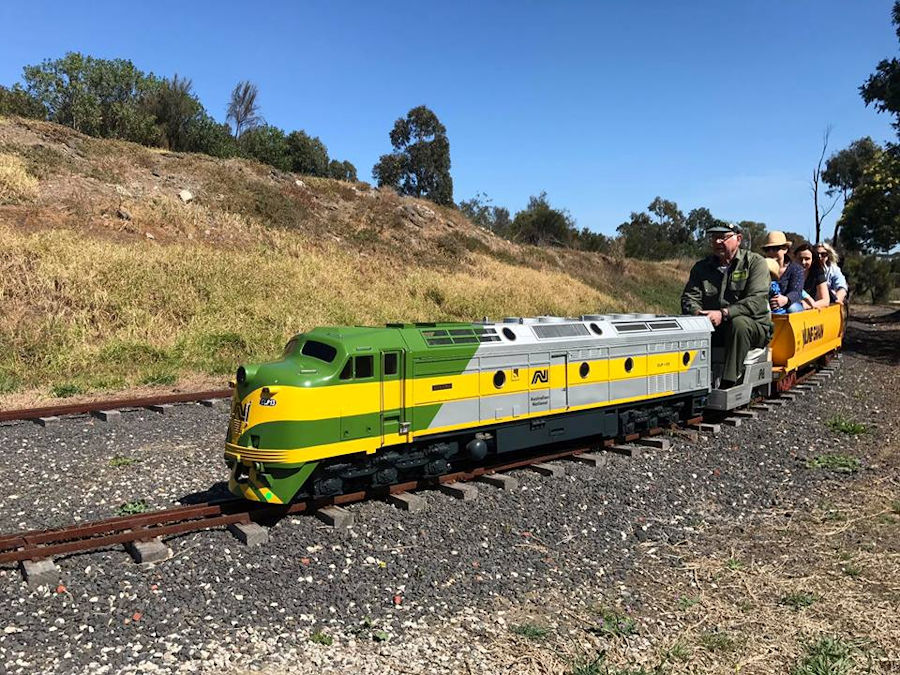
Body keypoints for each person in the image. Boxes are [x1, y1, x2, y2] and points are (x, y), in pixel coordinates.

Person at [681, 222, 772, 389]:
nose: (717, 242)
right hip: (714, 325)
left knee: (739, 324)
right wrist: (698, 315)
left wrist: (723, 314)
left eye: (723, 237)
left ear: (738, 239)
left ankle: (729, 383)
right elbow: (689, 298)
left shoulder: (754, 263)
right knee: (683, 325)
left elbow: (756, 301)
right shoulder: (702, 268)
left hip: (753, 327)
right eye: (714, 238)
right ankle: (689, 382)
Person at [761, 231, 804, 313]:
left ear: (785, 249)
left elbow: (796, 292)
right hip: (768, 305)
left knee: (792, 308)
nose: (771, 252)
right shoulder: (761, 269)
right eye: (767, 250)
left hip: (790, 304)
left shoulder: (796, 269)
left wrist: (786, 299)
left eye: (775, 249)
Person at [794, 243, 829, 309]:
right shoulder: (789, 272)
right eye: (800, 259)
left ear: (812, 260)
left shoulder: (817, 273)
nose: (803, 262)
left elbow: (825, 300)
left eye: (807, 259)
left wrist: (809, 305)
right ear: (795, 259)